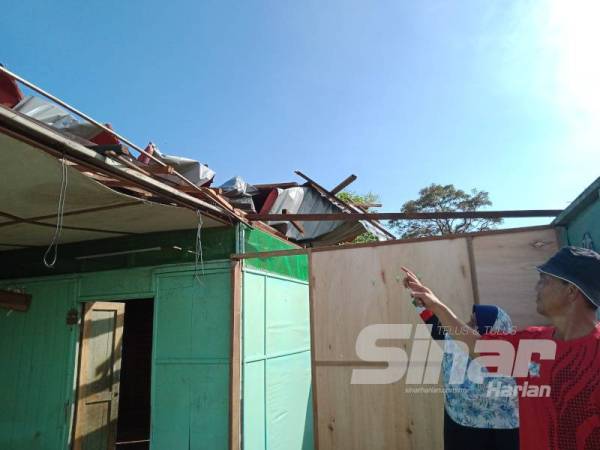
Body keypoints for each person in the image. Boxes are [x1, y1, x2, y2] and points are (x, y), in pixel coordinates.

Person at [402, 246, 600, 450]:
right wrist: (433, 304)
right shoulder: (531, 343)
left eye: (544, 280)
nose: (536, 288)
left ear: (571, 291)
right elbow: (475, 345)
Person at [415, 303, 519, 450]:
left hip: (466, 435)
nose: (466, 325)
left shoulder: (513, 367)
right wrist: (417, 299)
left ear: (492, 331)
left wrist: (418, 300)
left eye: (473, 323)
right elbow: (437, 328)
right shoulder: (459, 348)